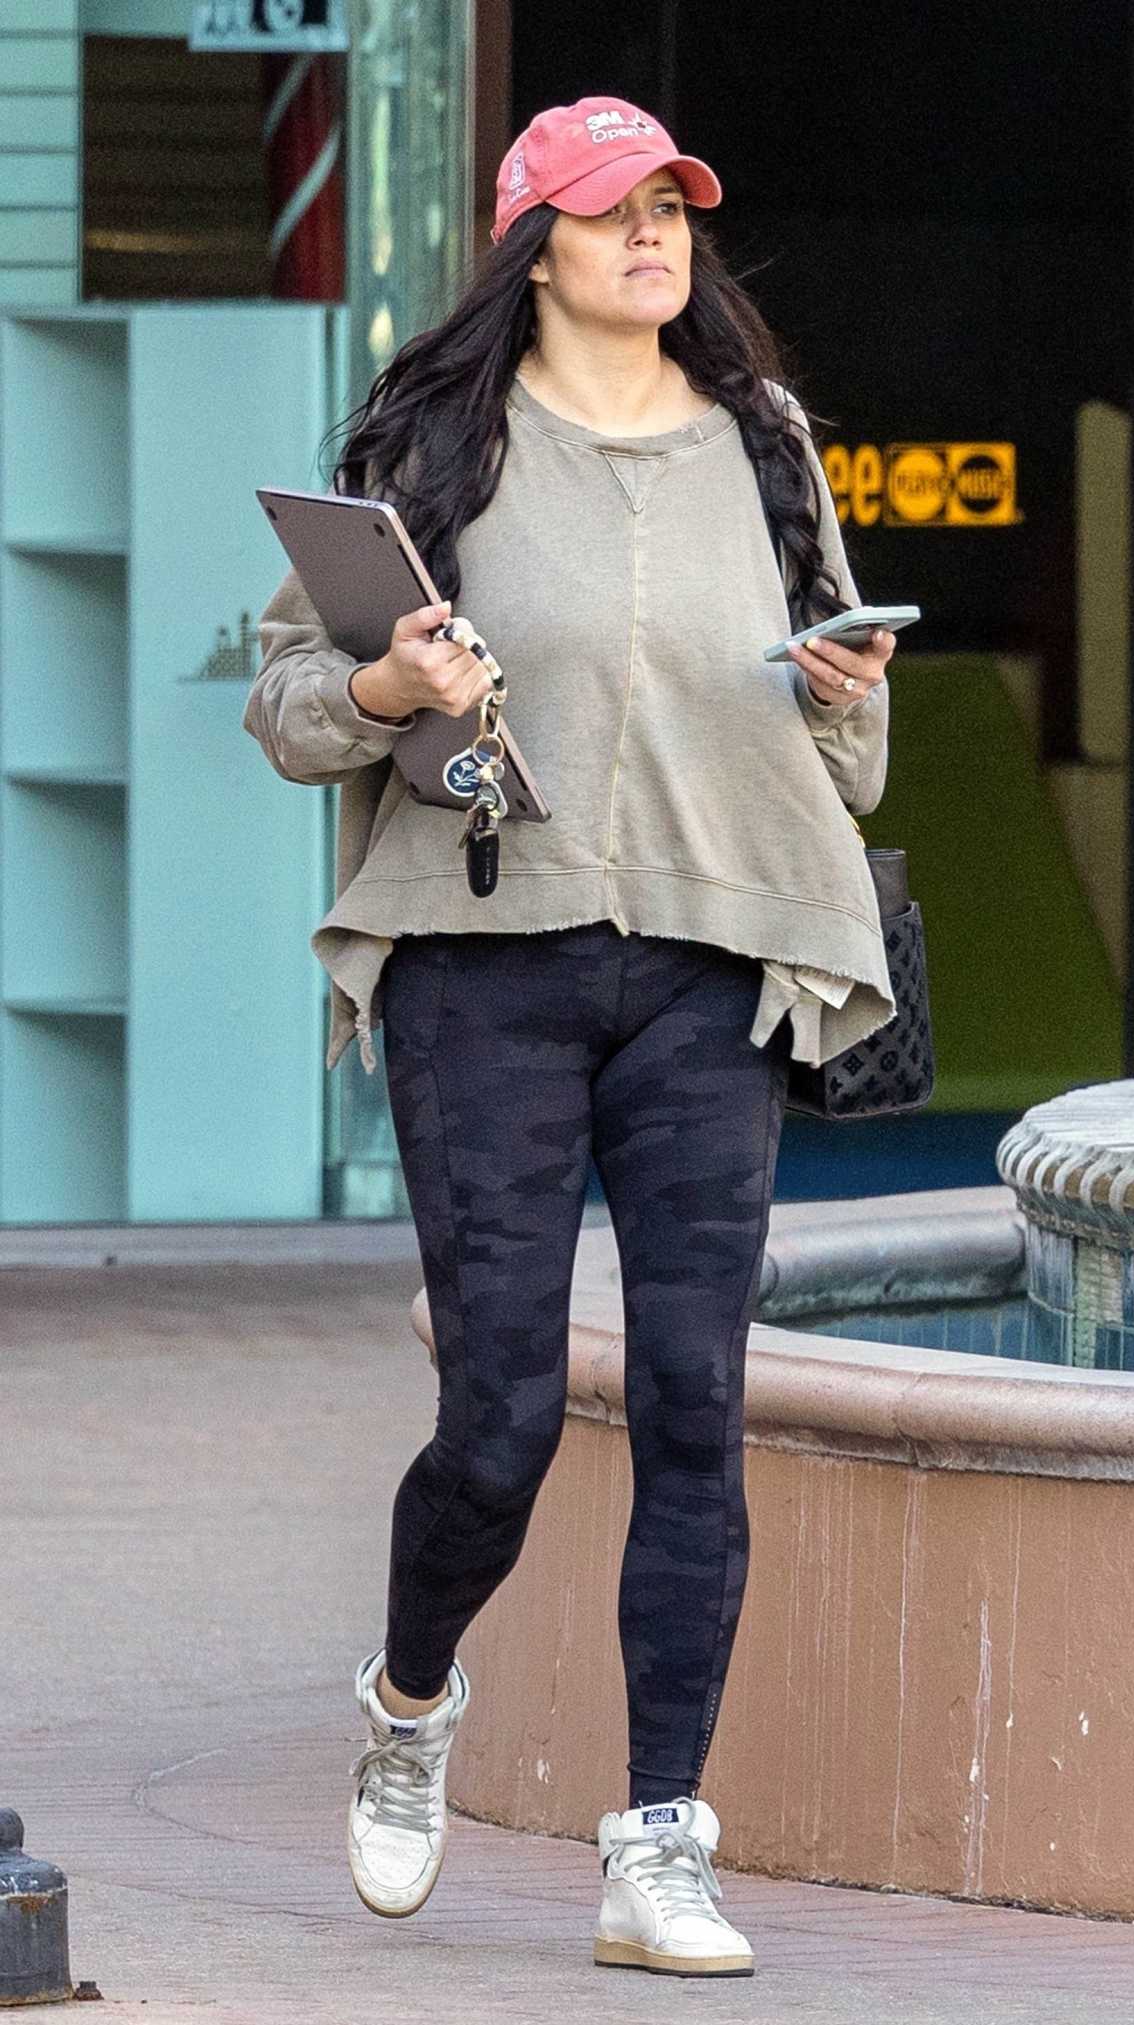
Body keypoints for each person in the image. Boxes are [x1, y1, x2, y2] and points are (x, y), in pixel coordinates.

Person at [244, 94, 895, 1980]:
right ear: (537, 242)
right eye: (614, 214)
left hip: (712, 962)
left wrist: (845, 685)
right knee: (503, 1417)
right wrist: (391, 680)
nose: (655, 241)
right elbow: (294, 706)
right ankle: (411, 1694)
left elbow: (840, 757)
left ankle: (659, 1844)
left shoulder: (763, 443)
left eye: (675, 209)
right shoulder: (432, 442)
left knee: (698, 1407)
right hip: (483, 956)